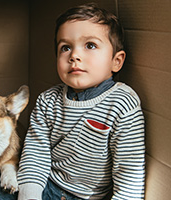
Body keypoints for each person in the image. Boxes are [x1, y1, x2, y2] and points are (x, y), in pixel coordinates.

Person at [17, 3, 146, 200]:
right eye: (65, 47)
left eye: (90, 45)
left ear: (116, 61)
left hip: (88, 197)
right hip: (47, 185)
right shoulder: (47, 100)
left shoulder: (122, 104)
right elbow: (35, 156)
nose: (74, 56)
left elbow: (129, 172)